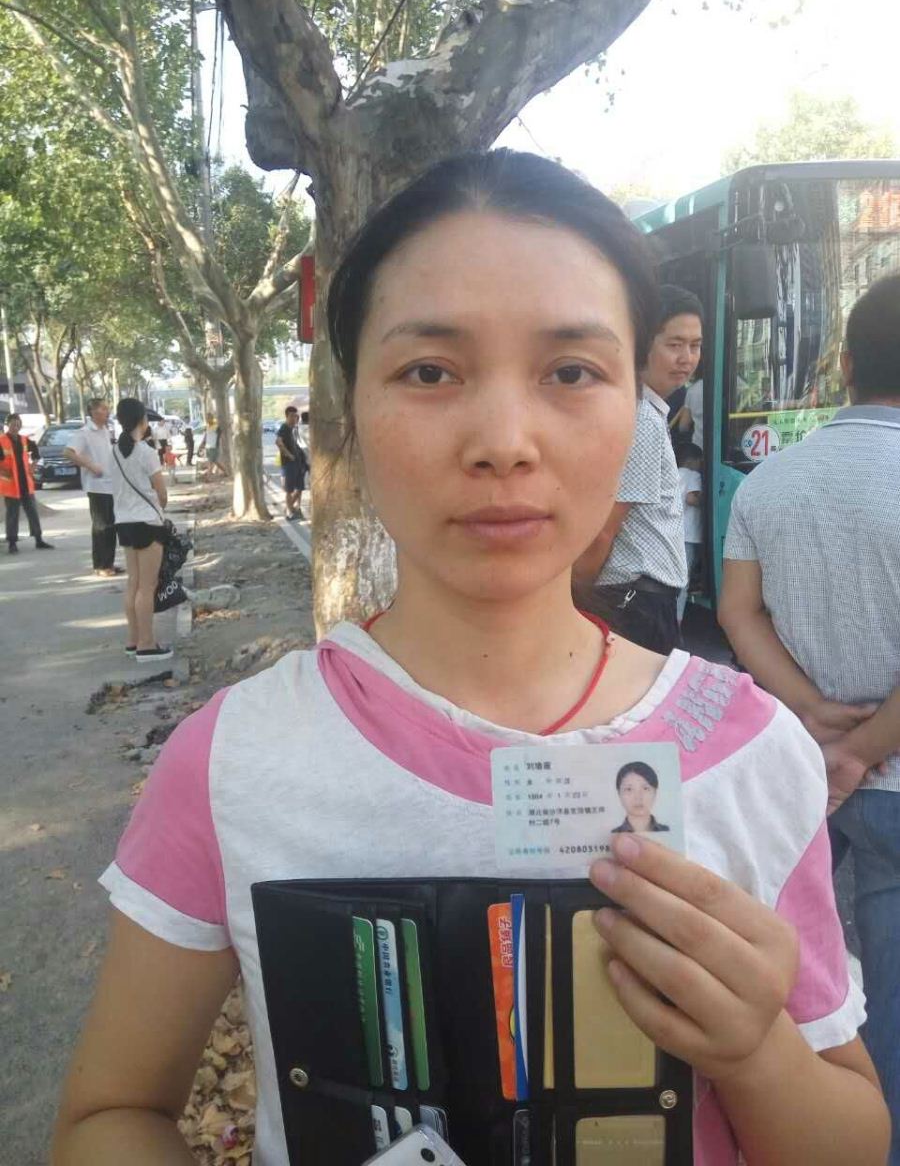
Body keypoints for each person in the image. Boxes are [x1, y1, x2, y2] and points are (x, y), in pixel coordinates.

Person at [52, 152, 889, 1166]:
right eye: (430, 372)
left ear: (636, 405)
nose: (503, 441)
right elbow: (112, 1115)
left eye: (571, 372)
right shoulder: (230, 762)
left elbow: (851, 1137)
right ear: (349, 408)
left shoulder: (755, 754)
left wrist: (757, 1051)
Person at [719, 271, 900, 1163]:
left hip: (802, 780)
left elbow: (738, 613)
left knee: (810, 990)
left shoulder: (768, 482)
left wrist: (815, 715)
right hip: (881, 780)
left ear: (846, 365)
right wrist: (863, 748)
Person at [572, 285, 704, 654]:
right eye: (675, 344)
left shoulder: (647, 410)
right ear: (643, 341)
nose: (687, 358)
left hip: (637, 601)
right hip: (635, 604)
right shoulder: (642, 418)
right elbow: (604, 530)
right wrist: (575, 601)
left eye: (695, 346)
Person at [110, 398, 172, 663]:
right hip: (147, 523)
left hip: (123, 522)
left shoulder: (113, 452)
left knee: (133, 583)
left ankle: (133, 640)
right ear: (142, 421)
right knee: (147, 586)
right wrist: (159, 508)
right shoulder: (146, 452)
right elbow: (162, 494)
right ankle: (147, 645)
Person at [64, 397, 122, 577]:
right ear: (94, 412)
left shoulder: (105, 430)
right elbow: (68, 452)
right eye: (104, 409)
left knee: (111, 526)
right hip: (97, 486)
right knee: (101, 526)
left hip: (110, 484)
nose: (107, 412)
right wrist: (91, 466)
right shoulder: (84, 433)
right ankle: (100, 565)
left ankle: (109, 562)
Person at [0, 412, 53, 554]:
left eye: (18, 424)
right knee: (12, 514)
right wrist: (3, 472)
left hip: (25, 483)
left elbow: (36, 453)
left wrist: (33, 466)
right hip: (11, 485)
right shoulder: (1, 440)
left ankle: (38, 539)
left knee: (32, 512)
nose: (15, 427)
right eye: (13, 424)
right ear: (8, 425)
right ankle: (12, 543)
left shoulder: (24, 440)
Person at [675, 442, 703, 624]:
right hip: (689, 535)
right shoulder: (693, 475)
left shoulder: (673, 473)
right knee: (683, 581)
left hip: (674, 534)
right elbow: (692, 498)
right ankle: (677, 621)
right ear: (692, 461)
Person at [611, 761, 670, 833]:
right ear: (619, 794)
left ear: (655, 792)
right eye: (629, 789)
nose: (638, 797)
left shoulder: (668, 832)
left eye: (645, 788)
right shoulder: (613, 835)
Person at [275, 405, 304, 519]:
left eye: (296, 416)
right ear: (287, 416)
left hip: (298, 463)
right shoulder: (284, 428)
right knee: (289, 490)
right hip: (289, 464)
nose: (294, 418)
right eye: (291, 416)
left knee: (300, 488)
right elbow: (278, 442)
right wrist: (289, 455)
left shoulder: (293, 429)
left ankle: (291, 508)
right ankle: (290, 512)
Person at [200, 415, 227, 480]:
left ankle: (208, 477)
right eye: (207, 419)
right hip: (208, 447)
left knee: (210, 462)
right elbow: (205, 436)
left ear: (212, 418)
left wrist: (223, 444)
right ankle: (225, 471)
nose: (207, 420)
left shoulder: (216, 427)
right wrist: (202, 444)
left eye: (209, 418)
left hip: (214, 447)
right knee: (215, 461)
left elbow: (221, 436)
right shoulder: (207, 427)